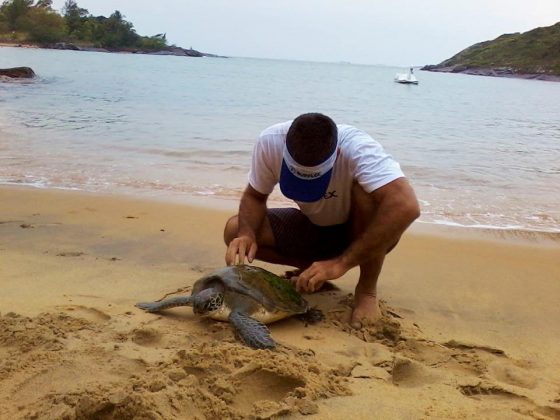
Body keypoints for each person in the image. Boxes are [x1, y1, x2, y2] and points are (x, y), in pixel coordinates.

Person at [224, 113, 420, 327]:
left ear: (336, 154)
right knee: (234, 230)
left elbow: (406, 206)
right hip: (314, 227)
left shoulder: (358, 149)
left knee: (370, 195)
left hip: (357, 234)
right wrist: (247, 234)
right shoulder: (270, 141)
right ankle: (314, 272)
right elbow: (255, 196)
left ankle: (366, 290)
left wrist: (341, 263)